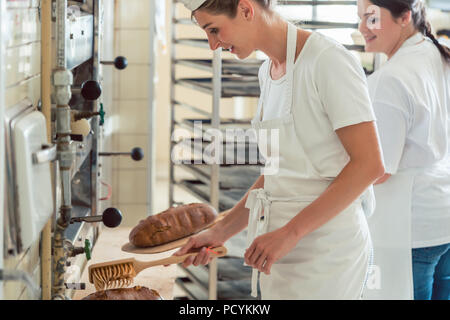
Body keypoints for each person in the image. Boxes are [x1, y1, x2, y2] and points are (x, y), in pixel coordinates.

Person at [175, 0, 385, 299]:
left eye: (214, 29)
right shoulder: (268, 72)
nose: (212, 45)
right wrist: (220, 231)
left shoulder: (326, 61)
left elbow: (369, 165)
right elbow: (277, 173)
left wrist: (291, 233)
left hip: (327, 254)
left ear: (246, 9)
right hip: (278, 250)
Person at [358, 0, 450, 300]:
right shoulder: (437, 54)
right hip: (442, 218)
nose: (362, 28)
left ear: (404, 17)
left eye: (371, 18)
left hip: (411, 230)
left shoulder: (389, 79)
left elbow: (378, 169)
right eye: (361, 19)